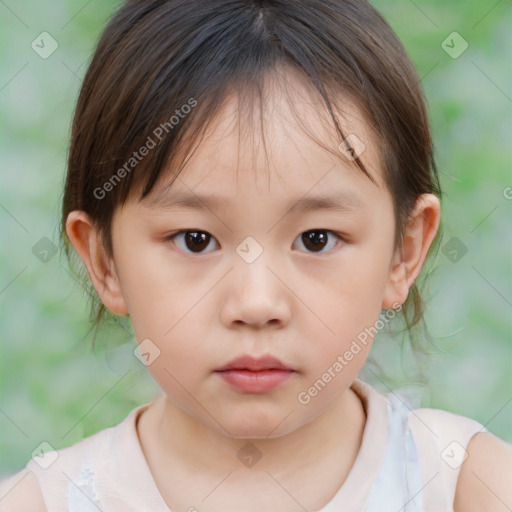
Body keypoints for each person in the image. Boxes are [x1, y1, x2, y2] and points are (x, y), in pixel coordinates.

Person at [1, 0, 511, 510]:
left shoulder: (469, 487)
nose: (256, 303)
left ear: (403, 252)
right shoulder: (42, 501)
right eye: (195, 240)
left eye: (316, 239)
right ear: (105, 261)